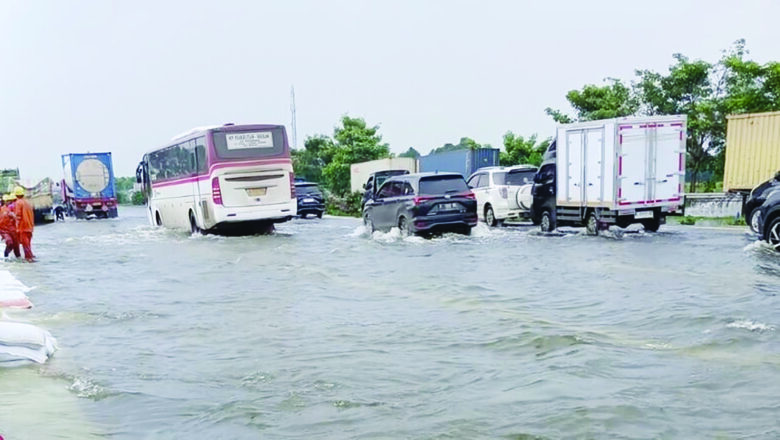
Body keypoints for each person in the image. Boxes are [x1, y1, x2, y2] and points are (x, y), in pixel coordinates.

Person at [13, 187, 35, 261]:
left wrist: (16, 227)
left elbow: (18, 216)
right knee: (28, 245)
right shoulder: (27, 202)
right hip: (29, 227)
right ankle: (30, 257)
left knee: (25, 245)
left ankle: (29, 259)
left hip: (23, 227)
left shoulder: (18, 202)